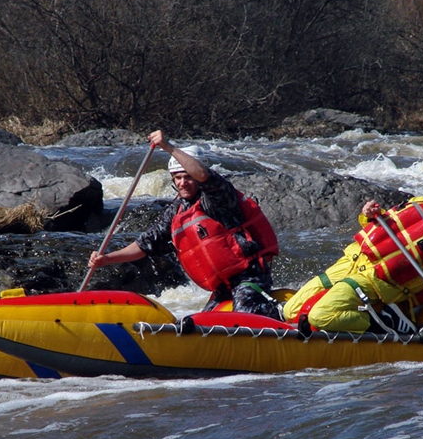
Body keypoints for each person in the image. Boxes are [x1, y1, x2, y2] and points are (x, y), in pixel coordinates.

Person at [88, 130, 281, 318]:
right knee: (201, 322)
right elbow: (145, 244)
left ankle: (280, 312)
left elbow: (204, 176)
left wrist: (167, 147)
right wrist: (108, 259)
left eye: (187, 176)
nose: (182, 183)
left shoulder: (218, 197)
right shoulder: (176, 212)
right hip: (223, 288)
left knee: (244, 313)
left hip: (249, 277)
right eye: (177, 177)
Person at [282, 170, 423, 334]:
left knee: (319, 316)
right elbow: (384, 230)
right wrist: (369, 214)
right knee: (289, 310)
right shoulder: (421, 204)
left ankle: (381, 323)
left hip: (379, 282)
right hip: (352, 263)